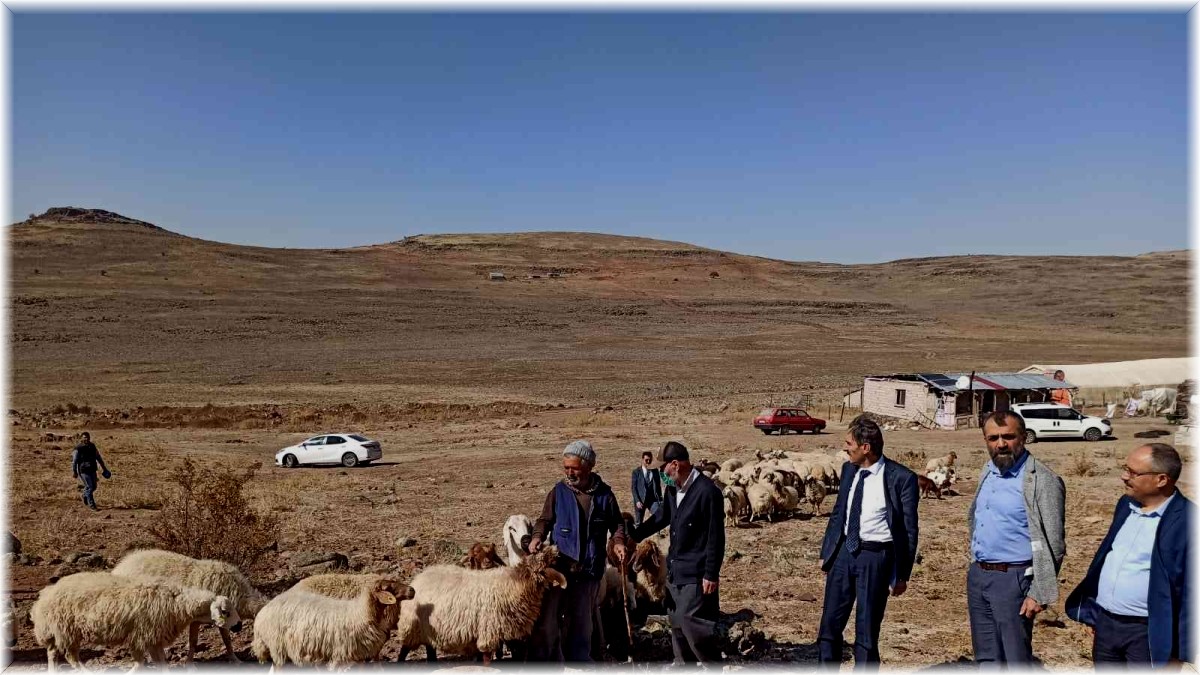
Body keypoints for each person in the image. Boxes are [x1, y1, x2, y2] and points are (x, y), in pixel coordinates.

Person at [1066, 443, 1192, 667]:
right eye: (1125, 469)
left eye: (1133, 472)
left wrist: (1179, 650)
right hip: (1106, 625)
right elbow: (1108, 557)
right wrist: (1095, 612)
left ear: (1161, 479)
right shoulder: (1126, 505)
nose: (1124, 476)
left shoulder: (1188, 521)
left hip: (1147, 632)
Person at [816, 415, 919, 669]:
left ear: (866, 447)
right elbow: (839, 512)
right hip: (843, 556)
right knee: (829, 626)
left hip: (876, 558)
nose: (844, 448)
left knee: (866, 631)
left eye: (849, 443)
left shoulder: (901, 478)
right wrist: (827, 551)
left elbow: (908, 530)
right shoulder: (848, 470)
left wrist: (902, 574)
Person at [967, 411, 1066, 665]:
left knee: (1015, 659)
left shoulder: (1041, 480)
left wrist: (1038, 591)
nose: (1001, 444)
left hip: (1014, 579)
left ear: (1023, 438)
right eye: (993, 438)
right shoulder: (988, 471)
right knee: (986, 657)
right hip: (980, 575)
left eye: (1008, 437)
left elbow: (1054, 542)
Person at [527, 440, 628, 663]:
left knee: (582, 620)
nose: (569, 473)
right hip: (560, 568)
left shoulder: (604, 495)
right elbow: (544, 520)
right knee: (550, 618)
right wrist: (537, 537)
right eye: (566, 468)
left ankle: (579, 662)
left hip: (588, 568)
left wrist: (619, 541)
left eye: (574, 468)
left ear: (589, 466)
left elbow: (617, 524)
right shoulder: (558, 492)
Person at [631, 441, 725, 666]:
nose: (661, 473)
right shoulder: (673, 489)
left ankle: (713, 665)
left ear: (675, 464)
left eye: (663, 468)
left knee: (693, 623)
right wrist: (636, 535)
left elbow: (716, 536)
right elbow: (661, 517)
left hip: (696, 571)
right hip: (675, 569)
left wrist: (711, 573)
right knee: (676, 624)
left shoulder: (707, 492)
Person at [71, 431, 110, 511]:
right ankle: (92, 505)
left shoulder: (92, 446)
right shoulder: (78, 448)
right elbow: (74, 461)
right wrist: (74, 471)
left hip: (92, 469)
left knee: (94, 487)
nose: (86, 439)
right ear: (81, 438)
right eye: (84, 437)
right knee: (90, 486)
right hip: (83, 470)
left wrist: (104, 468)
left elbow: (98, 457)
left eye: (88, 437)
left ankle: (85, 495)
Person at [631, 450, 663, 527]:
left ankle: (658, 534)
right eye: (646, 460)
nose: (648, 462)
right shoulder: (636, 472)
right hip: (641, 501)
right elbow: (633, 488)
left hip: (653, 500)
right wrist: (637, 501)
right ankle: (638, 536)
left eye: (649, 460)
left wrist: (660, 499)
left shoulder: (655, 471)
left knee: (658, 516)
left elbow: (658, 487)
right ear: (642, 460)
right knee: (639, 522)